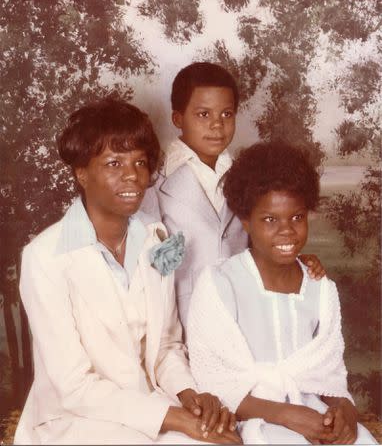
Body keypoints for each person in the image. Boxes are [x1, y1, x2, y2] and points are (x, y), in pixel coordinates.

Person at [14, 97, 241, 445]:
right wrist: (174, 419)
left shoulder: (156, 239)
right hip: (77, 420)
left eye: (139, 162)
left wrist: (190, 395)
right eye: (113, 163)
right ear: (81, 172)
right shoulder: (44, 257)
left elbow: (165, 345)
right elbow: (73, 386)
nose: (132, 175)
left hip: (149, 406)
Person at [187, 141, 377, 444]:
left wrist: (346, 416)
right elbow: (214, 380)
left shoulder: (320, 289)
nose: (287, 231)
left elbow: (331, 378)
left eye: (297, 217)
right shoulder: (220, 284)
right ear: (246, 221)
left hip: (313, 412)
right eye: (270, 220)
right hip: (250, 418)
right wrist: (287, 415)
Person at [141, 62, 325, 329]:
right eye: (203, 114)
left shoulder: (251, 177)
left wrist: (299, 263)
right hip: (186, 323)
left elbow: (267, 241)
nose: (217, 125)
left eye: (227, 114)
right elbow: (151, 272)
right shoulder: (154, 186)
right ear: (178, 119)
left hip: (247, 315)